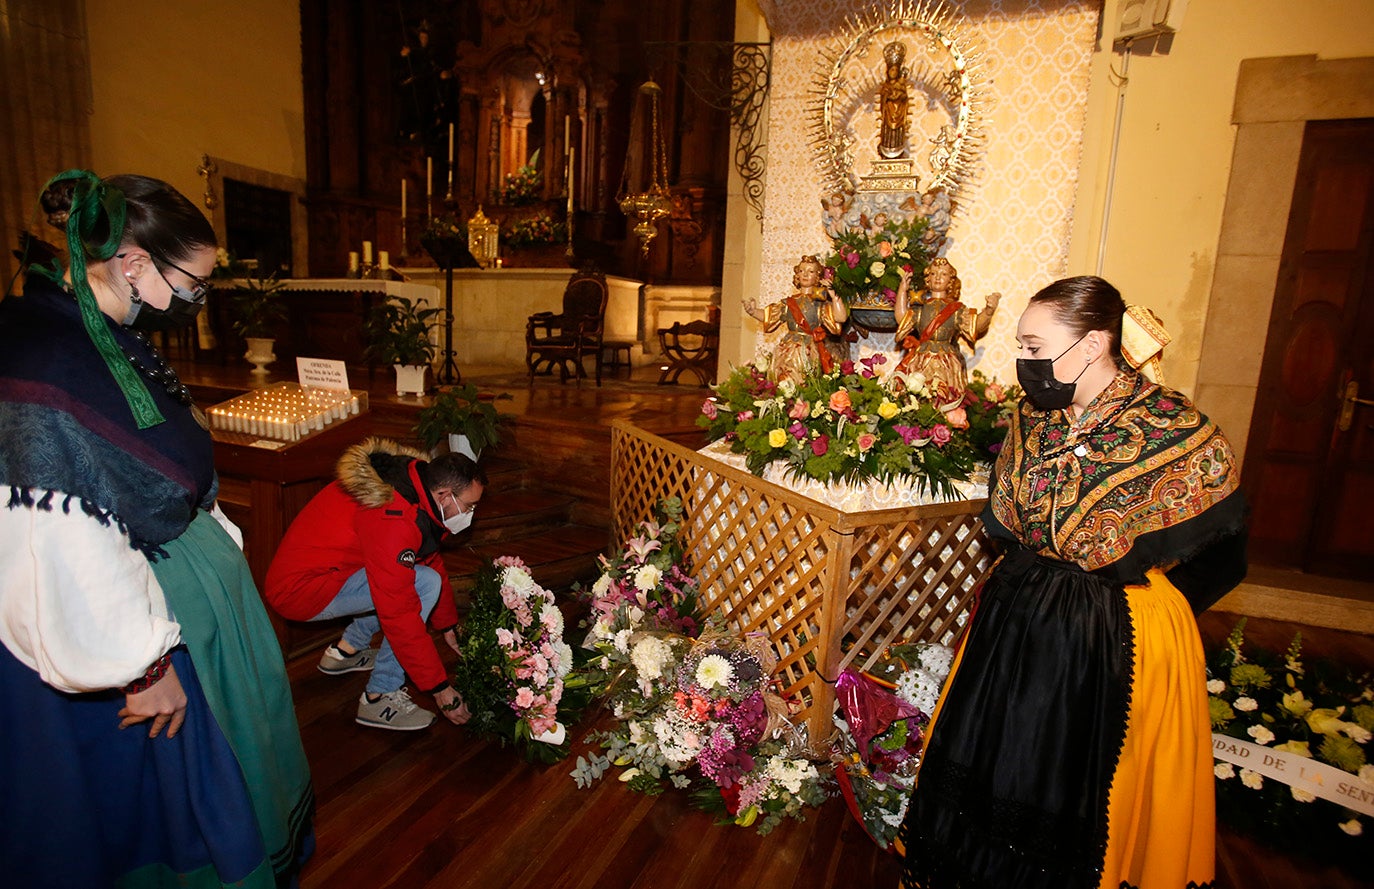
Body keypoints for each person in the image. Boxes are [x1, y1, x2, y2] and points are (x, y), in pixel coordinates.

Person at [0, 170, 314, 886]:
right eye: (194, 283)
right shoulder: (47, 356)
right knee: (168, 810)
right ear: (134, 262)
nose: (197, 300)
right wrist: (141, 666)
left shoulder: (93, 328)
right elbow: (60, 534)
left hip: (174, 595)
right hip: (125, 644)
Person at [898, 276, 1247, 888]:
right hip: (1018, 625)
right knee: (996, 768)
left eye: (1035, 347)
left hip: (1111, 641)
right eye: (1022, 347)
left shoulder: (1175, 429)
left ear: (1090, 346)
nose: (1024, 363)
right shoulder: (1035, 418)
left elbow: (1224, 556)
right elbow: (1006, 526)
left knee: (1071, 785)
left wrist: (1143, 615)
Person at [264, 437, 485, 731]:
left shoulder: (412, 486)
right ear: (445, 495)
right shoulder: (392, 517)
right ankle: (379, 696)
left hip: (325, 572)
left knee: (408, 575)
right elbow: (399, 611)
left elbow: (428, 556)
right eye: (469, 506)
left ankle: (346, 651)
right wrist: (439, 688)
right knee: (422, 586)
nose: (471, 514)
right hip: (302, 590)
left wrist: (447, 625)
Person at [892, 257, 1000, 404]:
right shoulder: (920, 309)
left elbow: (975, 326)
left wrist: (988, 311)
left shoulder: (957, 310)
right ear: (928, 278)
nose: (938, 277)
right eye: (934, 273)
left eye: (943, 274)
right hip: (921, 360)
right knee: (917, 398)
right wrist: (902, 291)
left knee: (947, 398)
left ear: (950, 280)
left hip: (947, 362)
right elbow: (902, 318)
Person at [744, 254, 849, 384]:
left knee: (804, 379)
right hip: (787, 348)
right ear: (797, 275)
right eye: (801, 271)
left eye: (810, 271)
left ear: (817, 276)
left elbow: (840, 318)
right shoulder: (789, 302)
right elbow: (769, 316)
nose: (805, 274)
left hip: (809, 349)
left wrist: (834, 297)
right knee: (782, 377)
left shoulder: (820, 304)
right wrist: (753, 311)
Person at [878, 41, 910, 159]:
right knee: (887, 131)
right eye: (892, 70)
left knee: (897, 132)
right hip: (888, 114)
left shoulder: (901, 86)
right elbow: (883, 97)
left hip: (899, 114)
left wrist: (899, 96)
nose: (894, 72)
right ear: (888, 71)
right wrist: (889, 97)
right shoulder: (885, 87)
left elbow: (904, 97)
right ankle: (886, 150)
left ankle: (897, 150)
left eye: (896, 70)